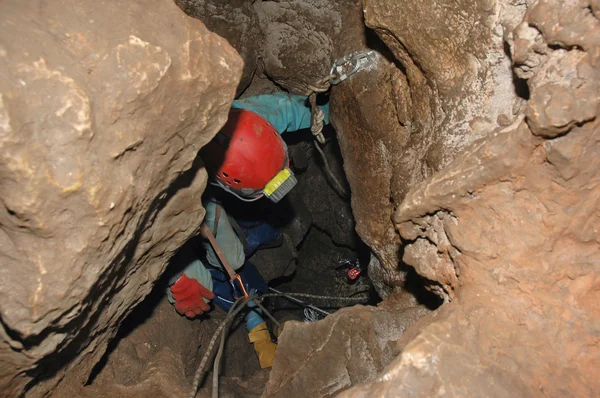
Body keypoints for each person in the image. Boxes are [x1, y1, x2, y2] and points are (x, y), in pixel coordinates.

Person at [166, 93, 330, 368]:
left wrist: (329, 110)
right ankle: (247, 309)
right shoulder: (173, 182)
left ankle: (254, 239)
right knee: (231, 258)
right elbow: (147, 235)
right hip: (185, 195)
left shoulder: (248, 123)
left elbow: (293, 110)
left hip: (211, 185)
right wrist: (178, 273)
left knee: (251, 242)